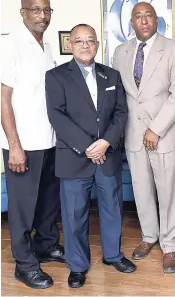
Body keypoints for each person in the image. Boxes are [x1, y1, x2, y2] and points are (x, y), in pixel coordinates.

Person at [45, 24, 135, 288]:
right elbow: (56, 116)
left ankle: (112, 255)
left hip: (107, 156)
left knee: (112, 209)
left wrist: (105, 142)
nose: (85, 45)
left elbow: (121, 112)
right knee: (74, 214)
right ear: (70, 45)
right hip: (74, 157)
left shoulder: (112, 76)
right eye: (79, 41)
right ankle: (77, 265)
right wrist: (87, 146)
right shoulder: (56, 76)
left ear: (97, 44)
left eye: (90, 40)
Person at [112, 2, 175, 273]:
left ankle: (169, 246)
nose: (144, 20)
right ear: (131, 22)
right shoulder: (120, 52)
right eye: (138, 16)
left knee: (169, 191)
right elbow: (120, 97)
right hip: (133, 134)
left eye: (149, 15)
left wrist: (156, 129)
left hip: (164, 134)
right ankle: (149, 236)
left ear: (157, 20)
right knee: (141, 189)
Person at [0, 0, 65, 289]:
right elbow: (3, 97)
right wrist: (14, 145)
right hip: (23, 143)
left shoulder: (47, 46)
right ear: (23, 12)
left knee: (49, 201)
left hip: (49, 140)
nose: (43, 15)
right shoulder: (10, 44)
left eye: (46, 10)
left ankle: (46, 245)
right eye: (35, 10)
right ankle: (24, 265)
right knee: (24, 206)